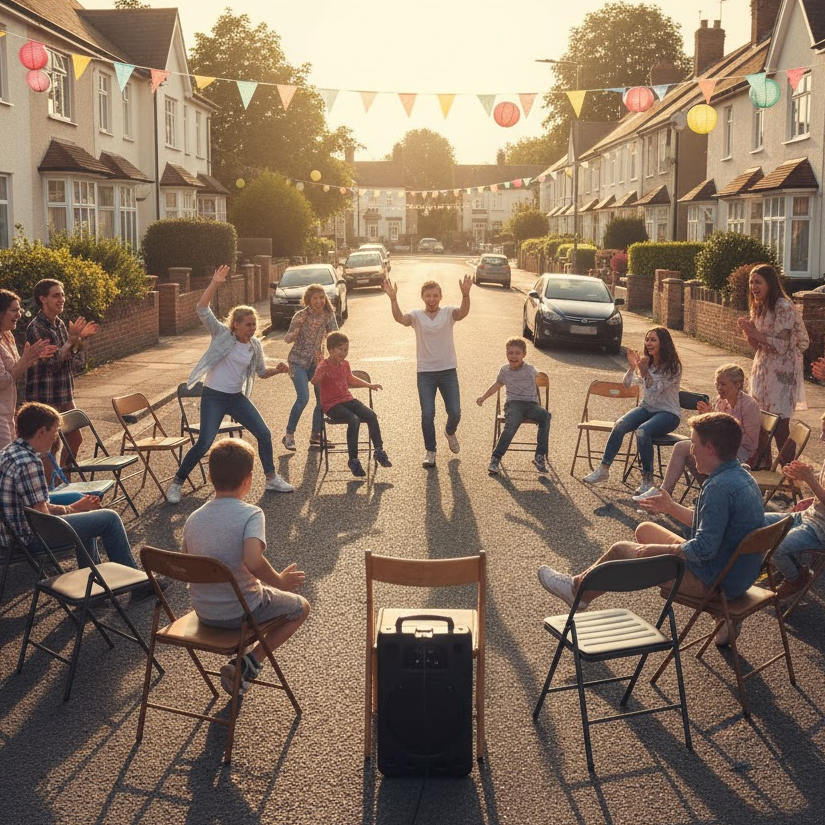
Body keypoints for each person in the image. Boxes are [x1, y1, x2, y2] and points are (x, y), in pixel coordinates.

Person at [540, 412, 766, 645]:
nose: (690, 450)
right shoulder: (741, 476)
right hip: (738, 574)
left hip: (713, 581)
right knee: (645, 529)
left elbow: (704, 549)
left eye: (694, 444)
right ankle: (724, 617)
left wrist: (655, 552)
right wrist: (670, 507)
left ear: (709, 448)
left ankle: (577, 590)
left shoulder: (718, 487)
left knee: (622, 550)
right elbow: (712, 528)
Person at [182, 438, 310, 696]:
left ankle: (245, 665)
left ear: (209, 475)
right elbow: (252, 561)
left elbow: (189, 561)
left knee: (251, 589)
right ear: (249, 479)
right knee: (301, 607)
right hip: (241, 612)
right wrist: (279, 581)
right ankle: (251, 662)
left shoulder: (193, 519)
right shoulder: (251, 514)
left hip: (205, 612)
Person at [167, 266, 293, 504]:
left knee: (264, 433)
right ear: (235, 324)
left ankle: (271, 478)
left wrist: (276, 370)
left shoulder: (254, 345)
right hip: (213, 396)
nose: (252, 329)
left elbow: (261, 372)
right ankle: (177, 483)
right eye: (248, 325)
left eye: (254, 325)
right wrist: (215, 283)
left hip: (236, 398)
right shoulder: (221, 335)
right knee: (204, 442)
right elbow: (201, 309)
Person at [0, 402, 151, 579]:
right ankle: (136, 582)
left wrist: (76, 506)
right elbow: (42, 517)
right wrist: (72, 509)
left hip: (8, 531)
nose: (56, 437)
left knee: (78, 500)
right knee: (110, 519)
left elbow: (34, 506)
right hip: (26, 539)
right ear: (42, 431)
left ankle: (95, 583)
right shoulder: (30, 463)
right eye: (55, 431)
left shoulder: (9, 451)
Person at [381, 275, 472, 468]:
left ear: (440, 297)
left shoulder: (448, 313)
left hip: (448, 371)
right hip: (425, 373)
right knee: (427, 413)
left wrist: (466, 294)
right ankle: (430, 451)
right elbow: (400, 318)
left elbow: (462, 313)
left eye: (435, 296)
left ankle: (449, 431)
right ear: (423, 297)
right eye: (428, 296)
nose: (432, 299)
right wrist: (393, 298)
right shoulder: (416, 316)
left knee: (455, 412)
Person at [635, 364, 761, 499]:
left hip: (740, 451)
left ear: (738, 384)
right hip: (716, 447)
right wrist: (706, 418)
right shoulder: (721, 401)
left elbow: (751, 442)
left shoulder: (750, 405)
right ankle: (665, 493)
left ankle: (709, 493)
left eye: (723, 384)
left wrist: (722, 426)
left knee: (698, 451)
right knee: (682, 447)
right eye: (717, 383)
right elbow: (713, 432)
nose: (718, 388)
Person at [583, 326, 682, 496]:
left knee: (643, 431)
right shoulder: (646, 362)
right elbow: (627, 384)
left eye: (653, 340)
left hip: (668, 413)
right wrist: (631, 367)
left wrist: (644, 373)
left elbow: (655, 390)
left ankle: (648, 481)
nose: (648, 343)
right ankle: (603, 469)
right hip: (646, 408)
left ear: (663, 343)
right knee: (620, 424)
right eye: (647, 339)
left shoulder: (673, 367)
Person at [25, 279, 99, 468]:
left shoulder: (59, 324)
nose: (62, 299)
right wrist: (71, 341)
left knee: (75, 438)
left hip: (64, 393)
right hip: (45, 396)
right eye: (56, 295)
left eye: (63, 295)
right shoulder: (36, 328)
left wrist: (79, 340)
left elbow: (74, 362)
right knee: (49, 447)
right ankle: (50, 491)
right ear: (43, 299)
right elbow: (52, 364)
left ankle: (63, 481)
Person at [737, 264, 808, 459]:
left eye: (758, 282)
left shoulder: (783, 306)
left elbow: (781, 345)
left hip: (782, 370)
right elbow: (757, 345)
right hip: (762, 368)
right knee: (759, 421)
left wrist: (755, 333)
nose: (753, 286)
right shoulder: (759, 305)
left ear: (770, 283)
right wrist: (748, 332)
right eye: (751, 282)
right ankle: (764, 467)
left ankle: (789, 473)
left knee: (780, 423)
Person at [762, 410, 825, 601]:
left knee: (775, 546)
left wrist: (809, 480)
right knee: (755, 522)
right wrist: (810, 496)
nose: (822, 437)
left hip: (820, 529)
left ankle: (795, 578)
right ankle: (788, 566)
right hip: (811, 516)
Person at [310, 331, 391, 477]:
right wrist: (320, 371)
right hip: (331, 405)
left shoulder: (345, 364)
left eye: (346, 350)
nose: (344, 352)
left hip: (347, 399)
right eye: (340, 349)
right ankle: (353, 460)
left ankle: (378, 450)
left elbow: (351, 379)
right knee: (354, 420)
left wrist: (369, 385)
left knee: (371, 415)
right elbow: (314, 381)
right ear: (331, 350)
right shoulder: (324, 364)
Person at [476, 336, 550, 476]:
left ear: (524, 355)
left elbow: (540, 379)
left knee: (545, 415)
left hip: (531, 404)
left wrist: (541, 378)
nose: (514, 356)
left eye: (517, 353)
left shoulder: (529, 369)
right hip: (513, 404)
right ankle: (495, 458)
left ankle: (539, 456)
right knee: (512, 424)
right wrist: (484, 397)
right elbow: (497, 385)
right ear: (506, 354)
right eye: (510, 353)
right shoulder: (504, 371)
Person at [281, 284, 339, 451]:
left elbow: (334, 335)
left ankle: (316, 435)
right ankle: (289, 435)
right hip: (297, 362)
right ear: (308, 300)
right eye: (315, 298)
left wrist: (336, 356)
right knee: (303, 398)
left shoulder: (328, 315)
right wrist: (294, 333)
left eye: (322, 297)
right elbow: (287, 339)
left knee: (323, 399)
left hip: (316, 362)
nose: (319, 301)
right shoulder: (301, 315)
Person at [0, 289, 57, 449]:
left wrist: (33, 357)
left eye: (19, 310)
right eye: (14, 310)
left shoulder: (7, 336)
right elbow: (3, 381)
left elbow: (15, 371)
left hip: (9, 411)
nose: (19, 314)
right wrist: (25, 359)